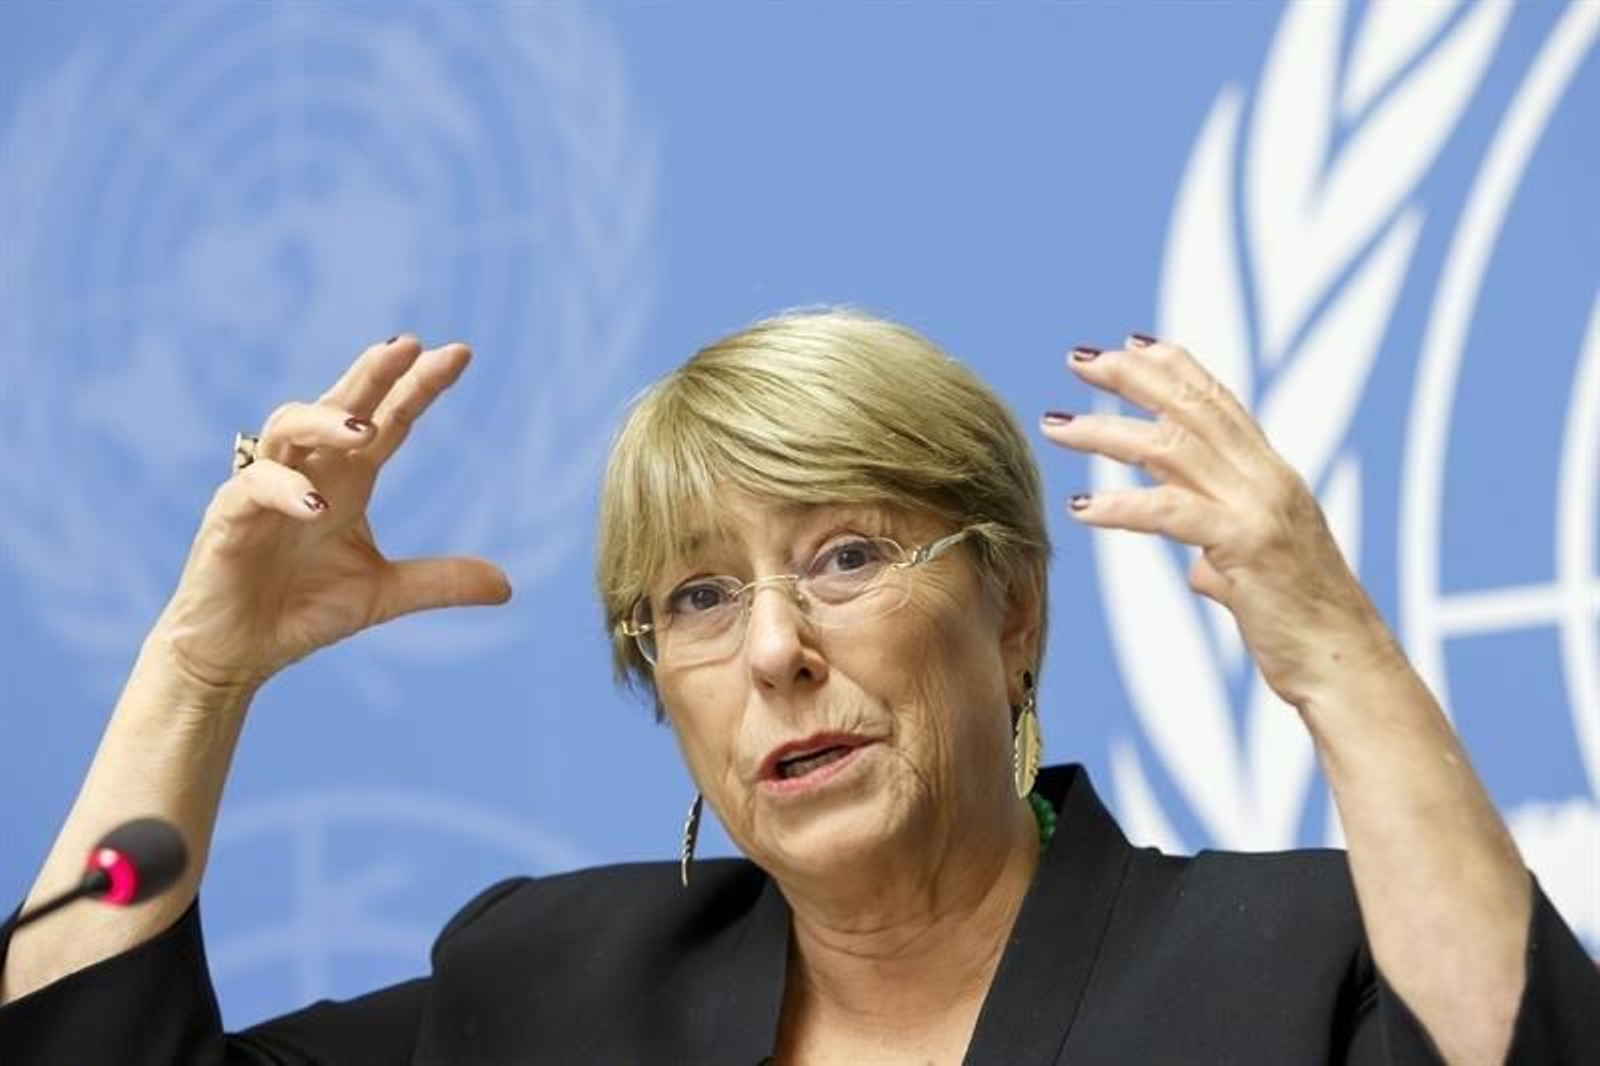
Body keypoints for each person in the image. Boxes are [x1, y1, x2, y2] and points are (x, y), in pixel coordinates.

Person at [0, 310, 1594, 1064]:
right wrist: (198, 668)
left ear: (1015, 608)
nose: (775, 650)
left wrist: (1335, 651)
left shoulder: (1293, 961)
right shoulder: (550, 990)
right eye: (699, 596)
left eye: (846, 556)